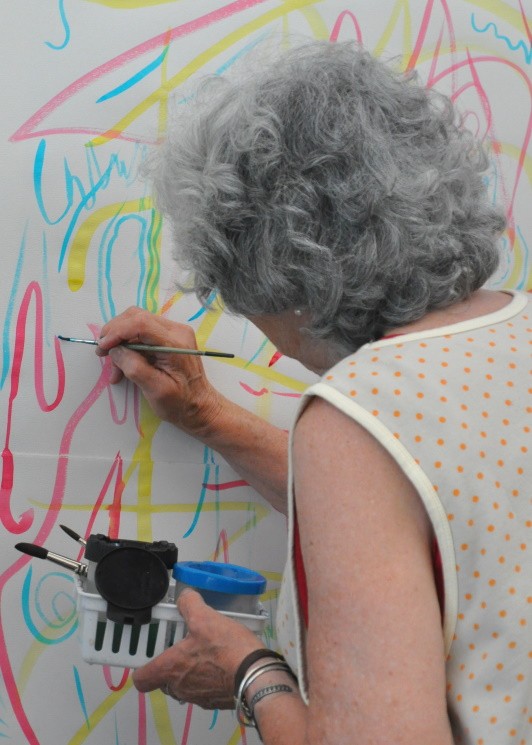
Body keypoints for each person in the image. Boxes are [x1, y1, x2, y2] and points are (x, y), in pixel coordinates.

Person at [96, 41, 530, 745]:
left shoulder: (357, 416)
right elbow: (420, 503)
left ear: (283, 273)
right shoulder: (512, 331)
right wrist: (207, 414)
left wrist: (250, 673)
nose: (264, 336)